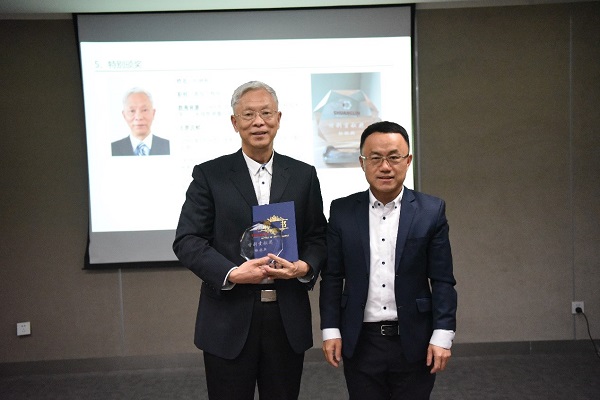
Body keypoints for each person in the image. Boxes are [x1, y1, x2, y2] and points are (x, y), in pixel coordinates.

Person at [173, 81, 327, 400]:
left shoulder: (303, 175)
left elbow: (317, 236)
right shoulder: (210, 175)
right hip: (228, 317)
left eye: (266, 113)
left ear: (279, 119)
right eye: (248, 114)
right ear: (235, 122)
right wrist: (231, 273)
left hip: (286, 317)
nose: (259, 122)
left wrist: (305, 267)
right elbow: (188, 240)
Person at [319, 121, 457, 399]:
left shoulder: (431, 211)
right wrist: (330, 330)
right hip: (361, 339)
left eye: (394, 157)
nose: (385, 167)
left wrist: (443, 334)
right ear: (362, 163)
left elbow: (442, 280)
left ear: (408, 161)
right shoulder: (342, 210)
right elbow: (332, 276)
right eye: (375, 158)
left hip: (415, 338)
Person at [111, 88, 170, 156]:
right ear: (124, 115)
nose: (139, 117)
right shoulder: (113, 149)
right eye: (132, 111)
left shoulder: (168, 146)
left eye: (144, 110)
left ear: (153, 113)